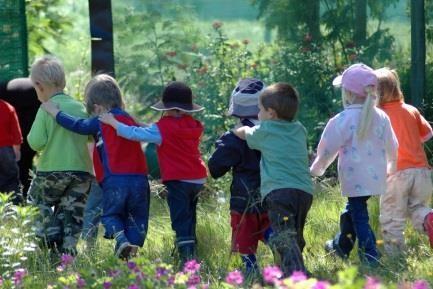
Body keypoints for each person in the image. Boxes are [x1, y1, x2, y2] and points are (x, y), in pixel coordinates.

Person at [41, 73, 150, 260]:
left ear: (98, 108)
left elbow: (79, 125)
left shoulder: (101, 120)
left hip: (115, 180)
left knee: (111, 215)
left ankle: (121, 240)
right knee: (137, 218)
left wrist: (55, 113)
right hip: (141, 180)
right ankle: (130, 251)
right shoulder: (130, 120)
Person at [99, 81, 207, 265]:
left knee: (180, 220)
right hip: (197, 179)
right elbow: (158, 131)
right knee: (189, 216)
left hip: (178, 180)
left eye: (166, 110)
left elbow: (134, 134)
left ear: (172, 110)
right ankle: (188, 248)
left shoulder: (163, 128)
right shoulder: (194, 125)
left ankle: (188, 260)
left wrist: (113, 122)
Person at [310, 63, 399, 265]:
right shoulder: (381, 117)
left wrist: (316, 170)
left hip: (354, 178)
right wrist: (391, 167)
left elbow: (326, 150)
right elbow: (393, 145)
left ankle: (370, 255)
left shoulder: (341, 120)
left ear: (348, 93)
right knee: (352, 210)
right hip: (375, 176)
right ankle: (340, 246)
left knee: (359, 215)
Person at [233, 82, 314, 276]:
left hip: (279, 193)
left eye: (260, 110)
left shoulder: (266, 130)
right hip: (304, 192)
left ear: (271, 113)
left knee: (284, 236)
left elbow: (245, 133)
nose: (258, 114)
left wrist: (235, 130)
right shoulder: (299, 129)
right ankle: (293, 269)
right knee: (295, 235)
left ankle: (296, 275)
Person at [27, 55, 93, 255]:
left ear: (39, 86)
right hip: (81, 173)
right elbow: (90, 136)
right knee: (72, 213)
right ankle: (68, 253)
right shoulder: (80, 107)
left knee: (37, 202)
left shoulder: (46, 108)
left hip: (51, 172)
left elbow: (36, 142)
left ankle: (48, 238)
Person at [208, 78, 272, 276]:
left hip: (243, 200)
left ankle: (252, 273)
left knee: (244, 240)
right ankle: (284, 253)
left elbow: (215, 168)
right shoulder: (276, 131)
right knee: (272, 230)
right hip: (273, 194)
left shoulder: (234, 137)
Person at [375, 67, 433, 252]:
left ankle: (395, 257)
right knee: (417, 208)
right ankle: (429, 218)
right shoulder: (411, 110)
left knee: (392, 218)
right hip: (422, 172)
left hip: (396, 172)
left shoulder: (378, 116)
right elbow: (428, 134)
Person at [0, 98, 23, 204]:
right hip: (6, 151)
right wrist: (17, 152)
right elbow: (16, 134)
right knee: (11, 180)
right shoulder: (8, 107)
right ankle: (14, 209)